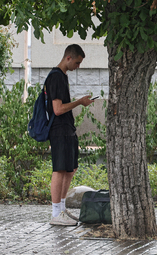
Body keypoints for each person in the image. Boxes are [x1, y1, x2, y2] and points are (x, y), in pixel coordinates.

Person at [45, 44, 94, 225]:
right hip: (59, 129)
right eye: (77, 62)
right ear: (68, 58)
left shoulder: (62, 76)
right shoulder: (56, 77)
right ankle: (56, 213)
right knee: (59, 169)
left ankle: (62, 209)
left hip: (67, 129)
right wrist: (79, 102)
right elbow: (57, 109)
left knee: (70, 168)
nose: (78, 67)